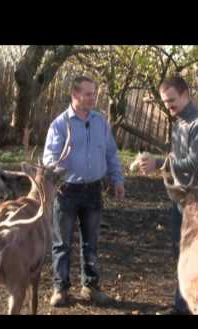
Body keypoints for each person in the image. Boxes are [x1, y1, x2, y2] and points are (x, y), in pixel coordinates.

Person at [138, 75, 198, 314]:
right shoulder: (180, 123)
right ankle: (182, 306)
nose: (168, 105)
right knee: (183, 255)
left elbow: (193, 163)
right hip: (181, 202)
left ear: (185, 94)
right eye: (165, 102)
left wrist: (160, 162)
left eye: (172, 100)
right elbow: (177, 160)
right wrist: (159, 164)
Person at [43, 76, 125, 307]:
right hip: (67, 191)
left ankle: (90, 286)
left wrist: (117, 180)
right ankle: (60, 288)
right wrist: (60, 162)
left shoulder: (100, 122)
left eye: (94, 93)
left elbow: (111, 154)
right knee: (62, 243)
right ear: (75, 95)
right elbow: (49, 160)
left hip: (93, 190)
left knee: (91, 241)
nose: (93, 97)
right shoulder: (59, 125)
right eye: (88, 93)